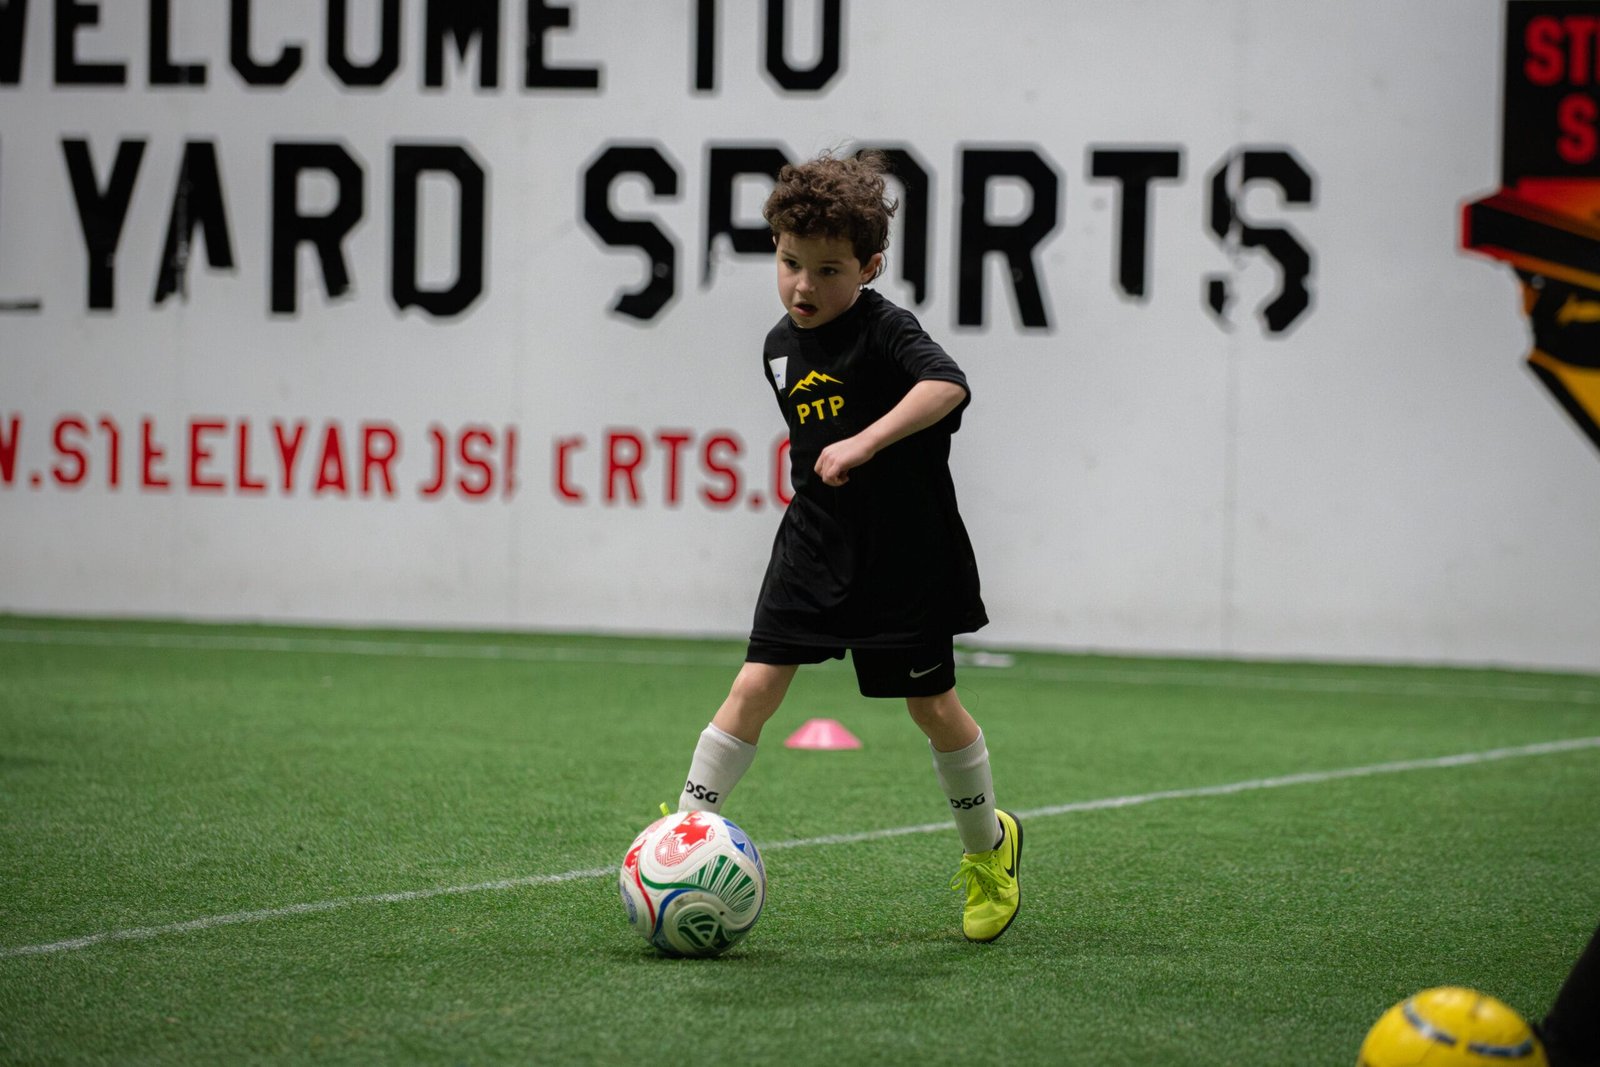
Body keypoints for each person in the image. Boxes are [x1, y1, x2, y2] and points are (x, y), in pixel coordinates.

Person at [669, 149, 1020, 943]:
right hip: (815, 541)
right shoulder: (776, 347)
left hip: (906, 553)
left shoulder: (889, 329)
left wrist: (866, 442)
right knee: (756, 683)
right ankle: (682, 834)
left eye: (828, 271)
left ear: (870, 266)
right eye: (790, 264)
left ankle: (989, 855)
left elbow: (948, 385)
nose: (803, 286)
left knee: (930, 706)